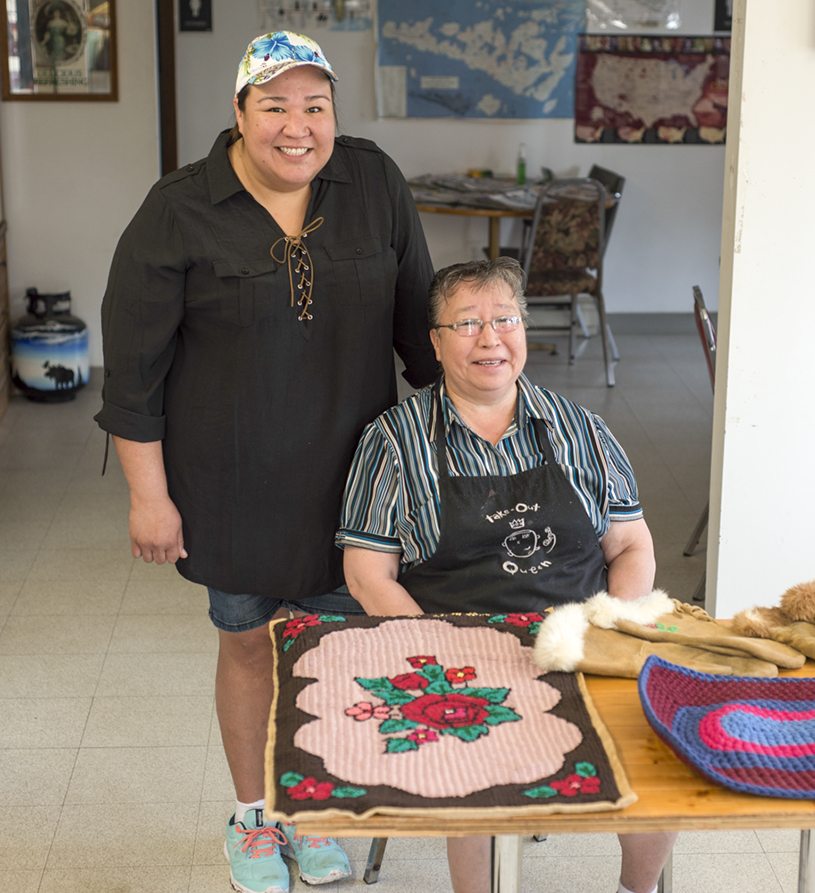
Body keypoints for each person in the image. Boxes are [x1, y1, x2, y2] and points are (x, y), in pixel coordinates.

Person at [95, 31, 439, 893]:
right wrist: (149, 496)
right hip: (228, 481)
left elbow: (424, 335)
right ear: (240, 113)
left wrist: (464, 450)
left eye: (315, 106)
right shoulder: (179, 208)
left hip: (354, 483)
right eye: (275, 105)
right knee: (249, 644)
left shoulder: (374, 185)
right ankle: (254, 817)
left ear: (333, 115)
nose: (298, 127)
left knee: (327, 650)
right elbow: (133, 368)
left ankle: (307, 809)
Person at [337, 257, 678, 893]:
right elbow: (367, 574)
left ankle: (640, 888)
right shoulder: (393, 440)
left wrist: (615, 628)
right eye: (467, 324)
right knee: (473, 753)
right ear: (435, 343)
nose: (490, 339)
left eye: (504, 319)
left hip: (578, 639)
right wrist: (437, 653)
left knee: (655, 739)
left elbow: (631, 545)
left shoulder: (581, 430)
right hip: (453, 649)